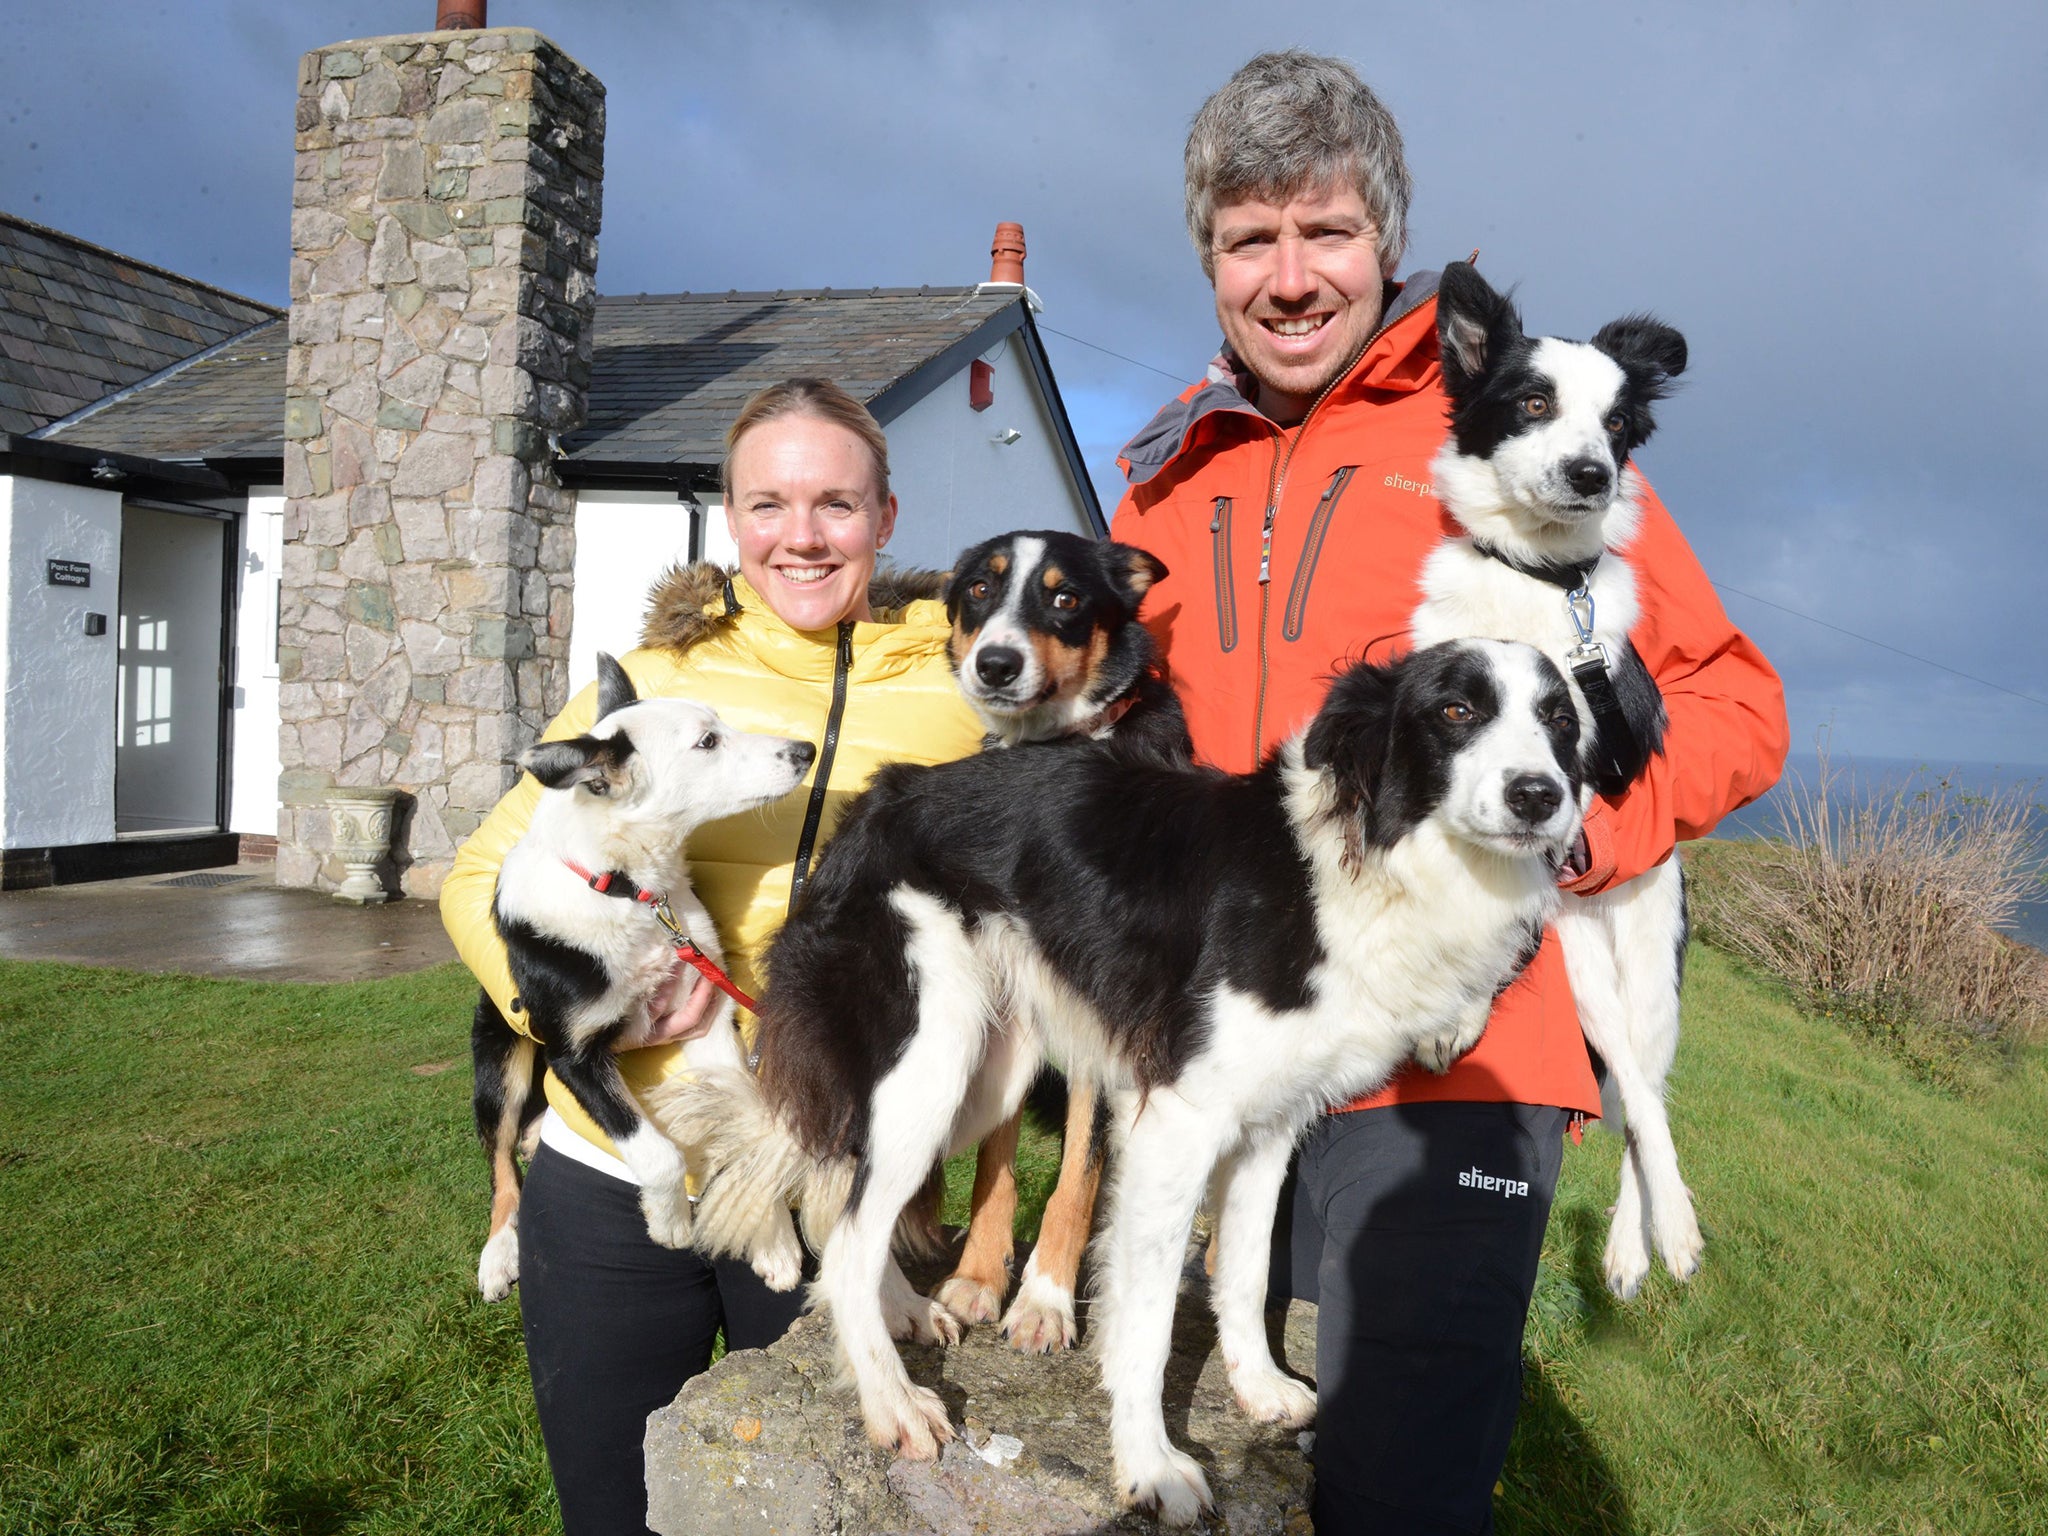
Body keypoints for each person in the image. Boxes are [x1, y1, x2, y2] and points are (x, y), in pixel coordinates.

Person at [1109, 52, 1788, 1535]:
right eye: (1249, 239)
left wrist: (1594, 826)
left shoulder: (1516, 428)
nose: (1289, 277)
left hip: (1461, 1061)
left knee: (1391, 1485)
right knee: (1211, 1450)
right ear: (1209, 260)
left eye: (1326, 233)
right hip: (1244, 1025)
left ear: (1389, 240)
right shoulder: (1164, 479)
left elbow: (1741, 700)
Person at [439, 378, 985, 1536]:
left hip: (814, 1177)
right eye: (768, 503)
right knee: (616, 1512)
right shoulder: (656, 681)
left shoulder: (955, 698)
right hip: (609, 1179)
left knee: (820, 1509)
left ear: (886, 518)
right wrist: (569, 1013)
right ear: (729, 521)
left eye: (835, 504)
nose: (801, 535)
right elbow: (475, 880)